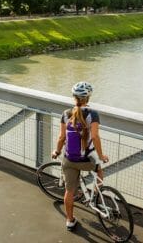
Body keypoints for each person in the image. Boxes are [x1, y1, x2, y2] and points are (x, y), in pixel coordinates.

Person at [52, 81, 109, 231]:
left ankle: (70, 221)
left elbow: (61, 138)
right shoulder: (93, 114)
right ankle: (96, 197)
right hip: (87, 161)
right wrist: (101, 155)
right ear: (88, 97)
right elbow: (95, 137)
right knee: (99, 171)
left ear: (74, 97)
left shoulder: (65, 114)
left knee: (69, 191)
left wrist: (57, 151)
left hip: (69, 160)